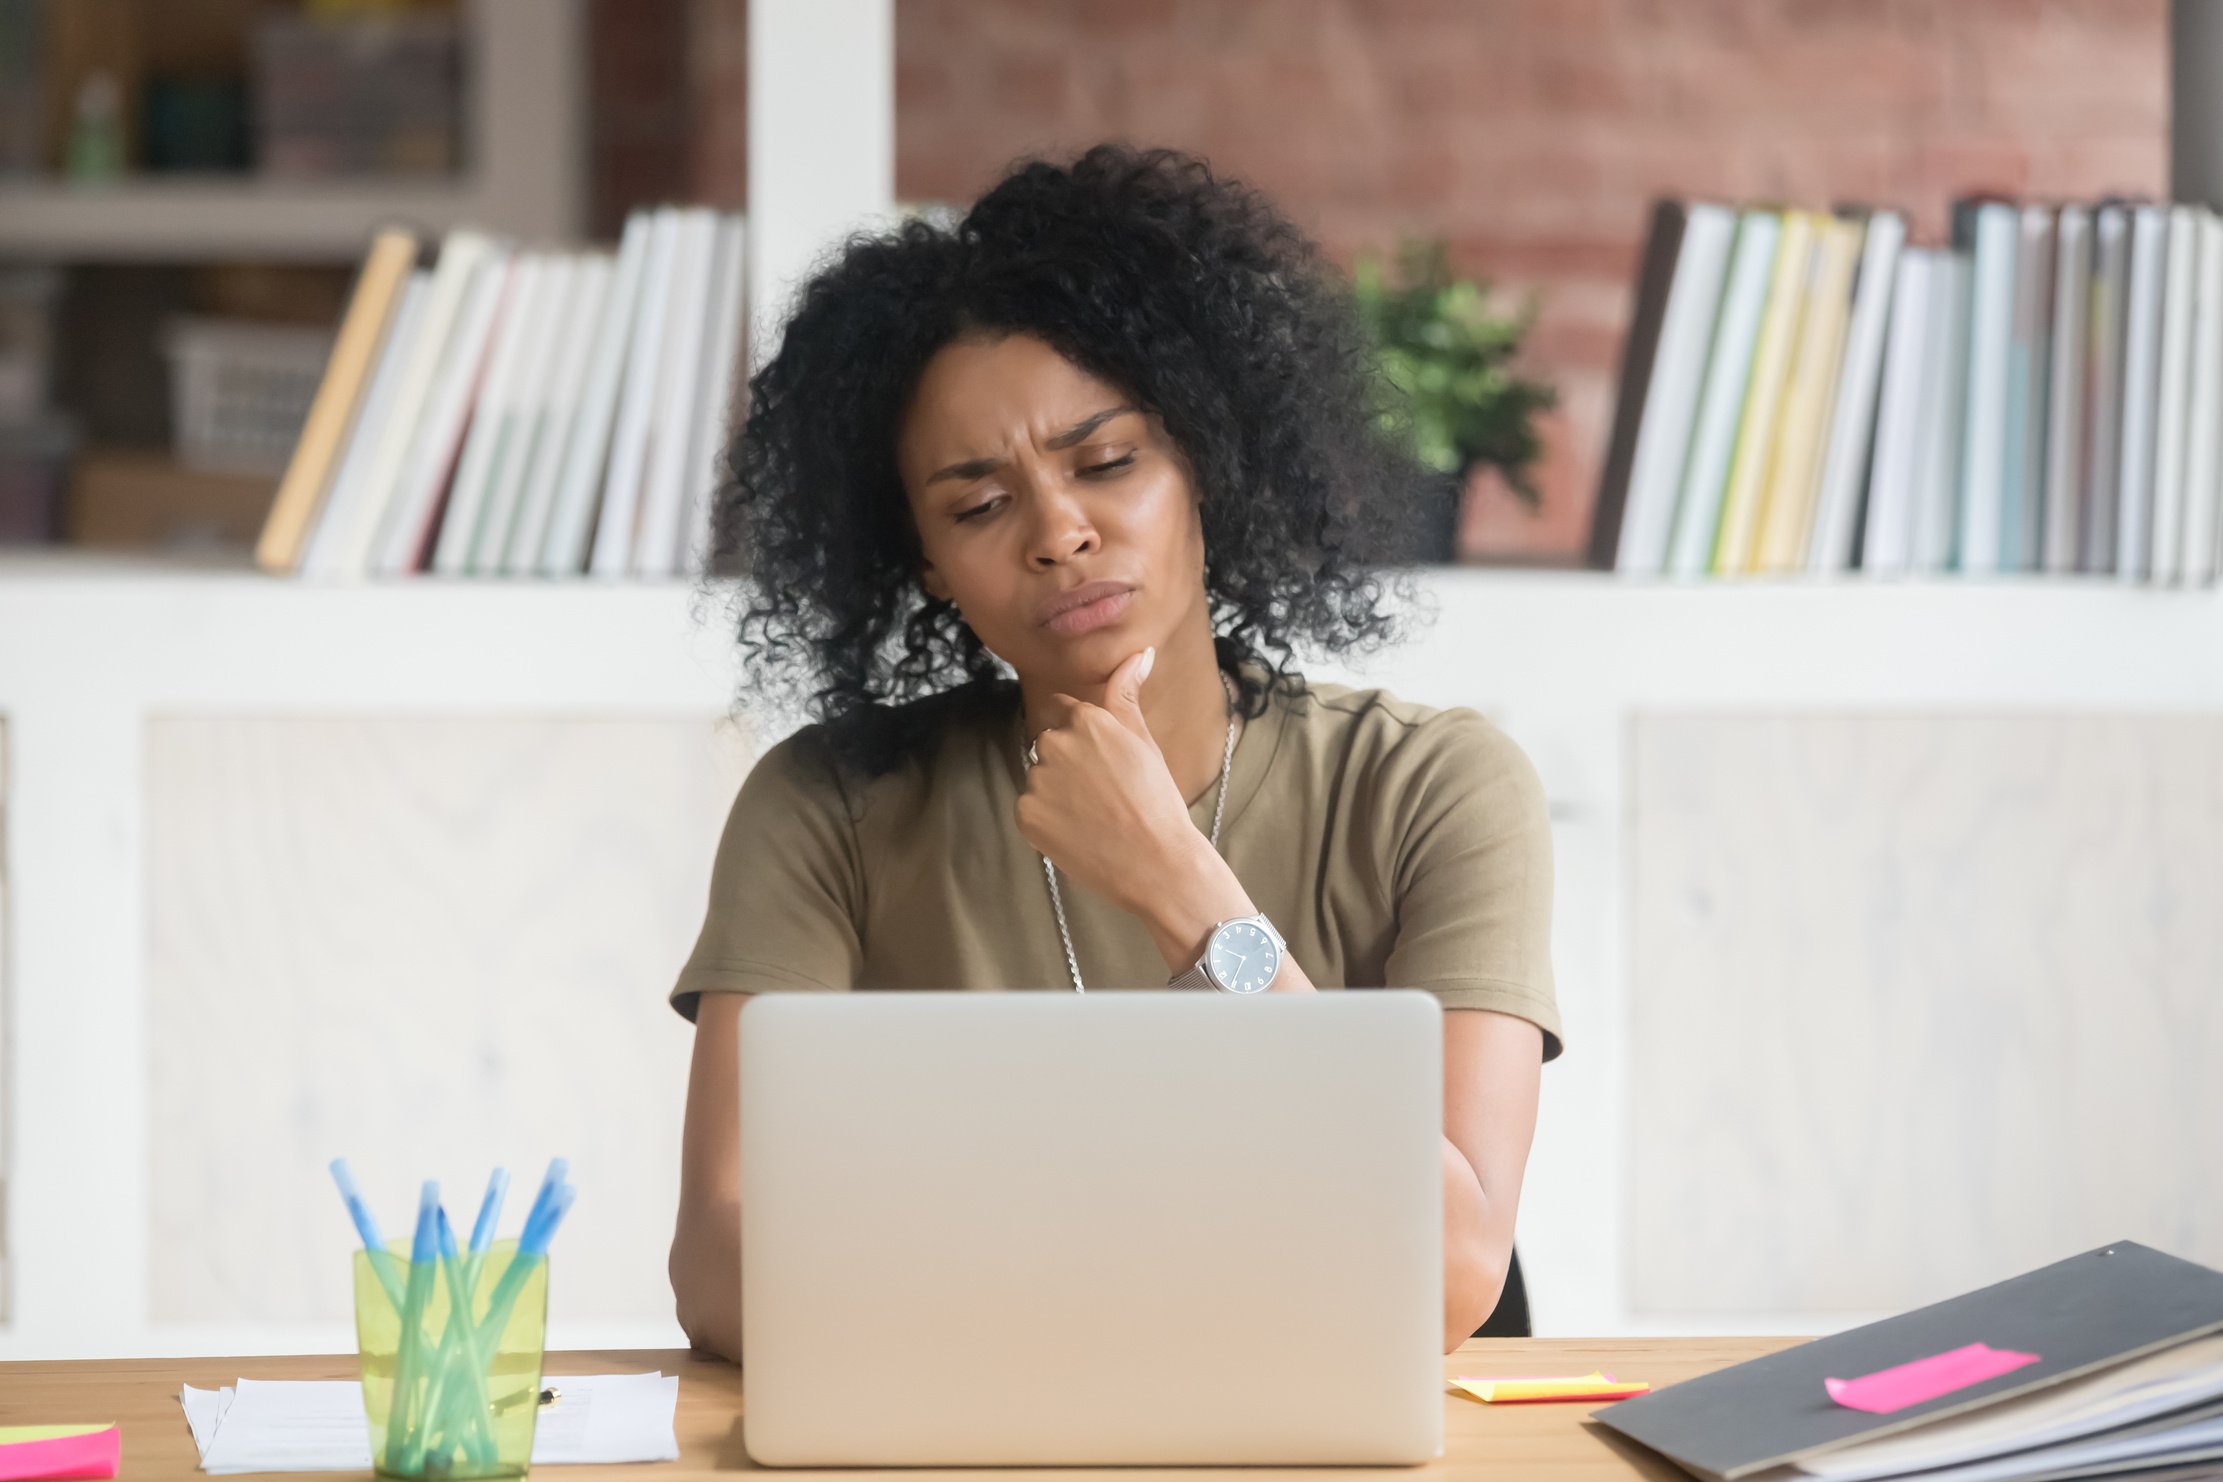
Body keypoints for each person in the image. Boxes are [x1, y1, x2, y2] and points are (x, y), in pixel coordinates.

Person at [667, 145, 1563, 1363]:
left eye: (1106, 462)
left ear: (1204, 456)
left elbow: (1455, 1272)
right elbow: (721, 1269)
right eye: (979, 506)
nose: (1060, 533)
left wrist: (1180, 889)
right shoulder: (830, 810)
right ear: (924, 563)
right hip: (975, 1434)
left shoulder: (1433, 788)